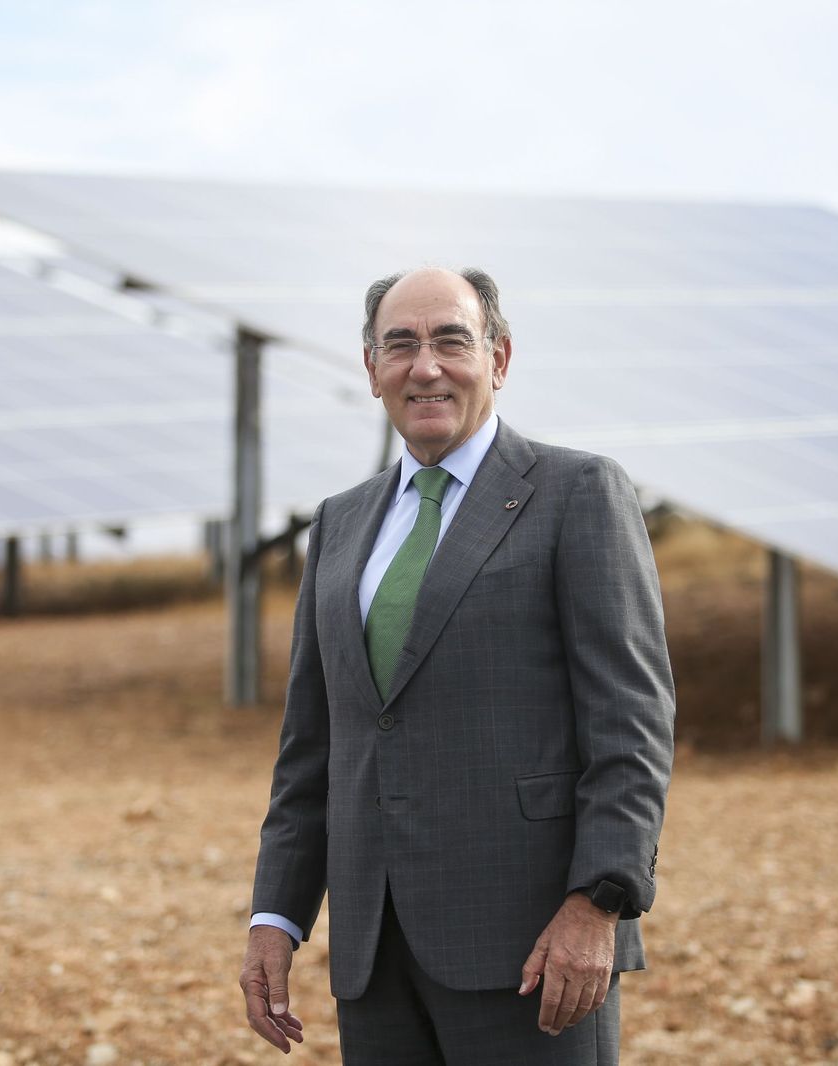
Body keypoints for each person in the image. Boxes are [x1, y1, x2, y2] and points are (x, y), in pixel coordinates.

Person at [239, 266, 675, 1065]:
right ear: (372, 367)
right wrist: (277, 917)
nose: (426, 366)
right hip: (374, 955)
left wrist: (599, 904)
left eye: (451, 341)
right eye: (400, 345)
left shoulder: (578, 493)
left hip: (534, 948)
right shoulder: (339, 524)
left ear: (498, 358)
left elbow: (631, 727)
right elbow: (313, 748)